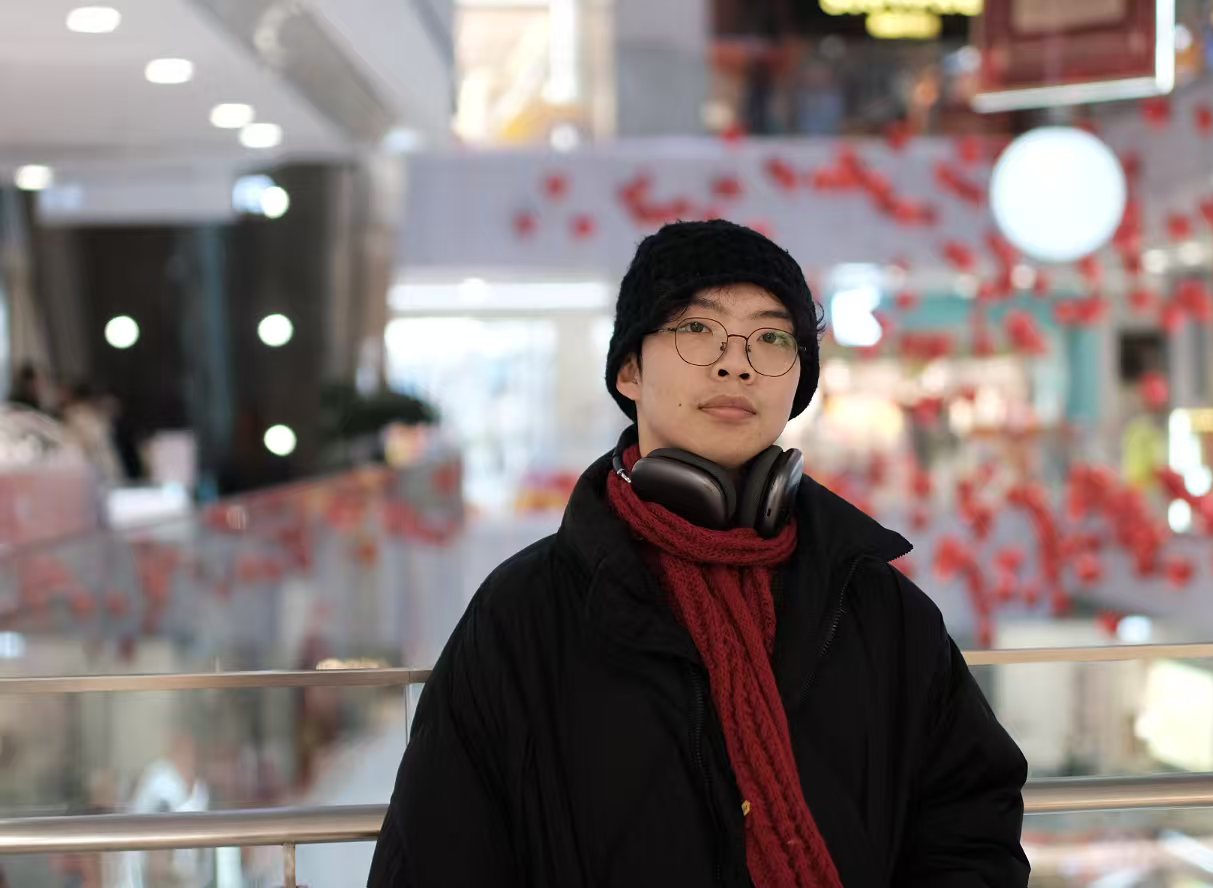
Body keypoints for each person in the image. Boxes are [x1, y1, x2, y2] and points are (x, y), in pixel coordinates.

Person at [369, 220, 1028, 887]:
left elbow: (972, 823)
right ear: (629, 369)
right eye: (696, 328)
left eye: (771, 338)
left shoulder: (875, 604)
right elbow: (435, 858)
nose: (736, 363)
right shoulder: (524, 616)